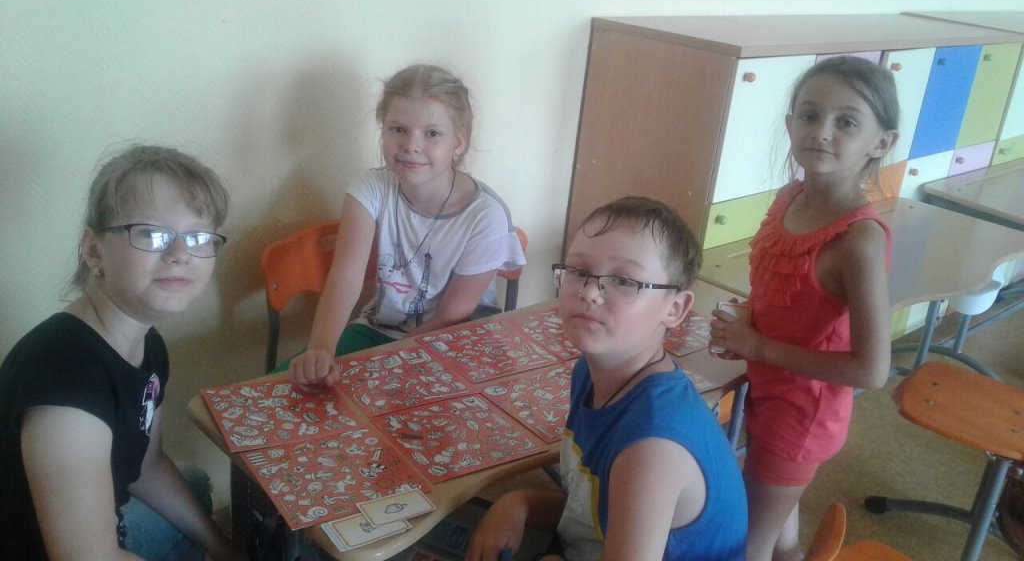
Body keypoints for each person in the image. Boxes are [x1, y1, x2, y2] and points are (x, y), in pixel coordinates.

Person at [467, 197, 748, 561]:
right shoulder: (590, 372)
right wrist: (519, 503)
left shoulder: (653, 447)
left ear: (675, 309)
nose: (588, 292)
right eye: (579, 271)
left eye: (623, 280)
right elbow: (592, 508)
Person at [0, 145, 242, 561]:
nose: (180, 254)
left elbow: (147, 467)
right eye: (151, 233)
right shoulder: (66, 381)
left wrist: (226, 550)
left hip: (103, 526)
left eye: (198, 237)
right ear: (94, 251)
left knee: (193, 484)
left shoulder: (147, 343)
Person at [708, 56, 899, 561]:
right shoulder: (789, 196)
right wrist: (748, 320)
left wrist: (758, 345)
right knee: (779, 531)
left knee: (744, 545)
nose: (822, 131)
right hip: (768, 390)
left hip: (800, 418)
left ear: (881, 143)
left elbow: (871, 370)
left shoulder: (858, 240)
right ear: (791, 124)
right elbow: (784, 292)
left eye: (847, 121)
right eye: (810, 115)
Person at [288, 63, 525, 387]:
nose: (412, 145)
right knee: (294, 394)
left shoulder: (486, 216)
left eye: (432, 133)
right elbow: (346, 275)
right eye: (398, 129)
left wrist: (386, 369)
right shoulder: (369, 189)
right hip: (378, 333)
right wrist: (321, 348)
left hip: (458, 345)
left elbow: (453, 316)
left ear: (458, 143)